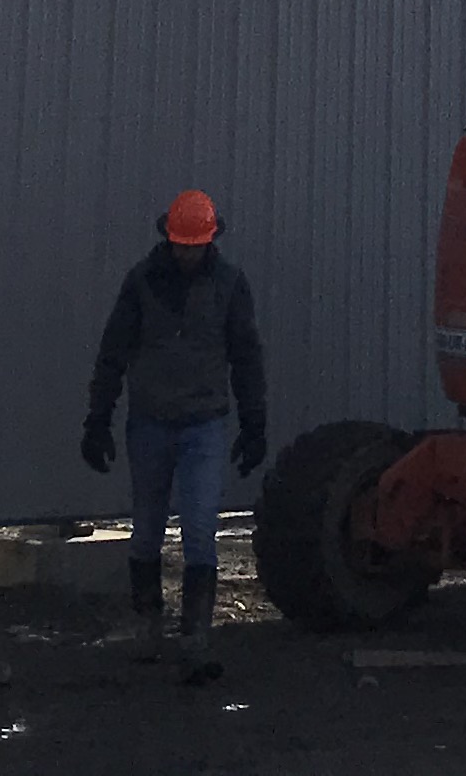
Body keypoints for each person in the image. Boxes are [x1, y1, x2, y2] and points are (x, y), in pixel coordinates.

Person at [79, 190, 267, 685]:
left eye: (194, 245)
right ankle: (148, 627)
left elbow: (246, 355)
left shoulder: (228, 286)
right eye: (181, 245)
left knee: (200, 532)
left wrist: (255, 422)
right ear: (169, 238)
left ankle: (195, 641)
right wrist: (97, 418)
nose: (187, 254)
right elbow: (113, 351)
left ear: (209, 241)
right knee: (145, 530)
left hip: (203, 423)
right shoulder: (142, 284)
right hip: (151, 423)